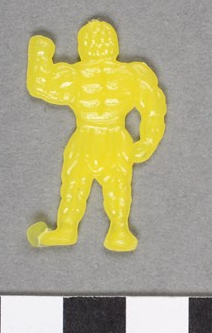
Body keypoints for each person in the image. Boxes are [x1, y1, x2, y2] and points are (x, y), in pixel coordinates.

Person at [26, 19, 166, 251]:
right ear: (114, 45)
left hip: (86, 138)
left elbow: (39, 85)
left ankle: (67, 229)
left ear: (82, 46)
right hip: (115, 138)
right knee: (117, 185)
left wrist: (40, 50)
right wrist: (147, 141)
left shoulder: (76, 75)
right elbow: (153, 107)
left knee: (74, 184)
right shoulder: (132, 74)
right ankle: (119, 231)